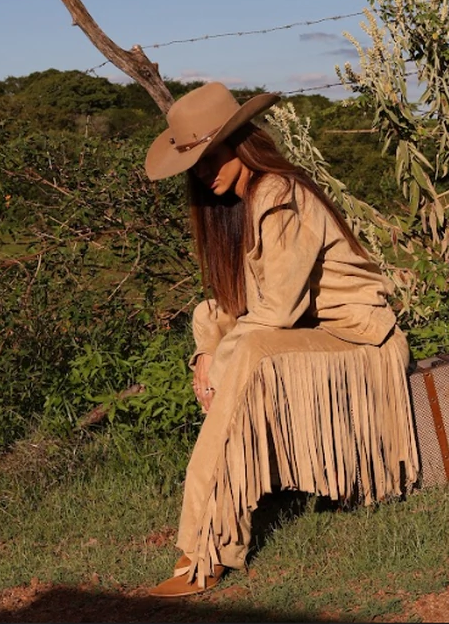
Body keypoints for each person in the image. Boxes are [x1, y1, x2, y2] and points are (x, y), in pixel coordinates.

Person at [144, 82, 419, 598]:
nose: (205, 172)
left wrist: (222, 361)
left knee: (244, 352)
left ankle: (210, 541)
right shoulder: (241, 202)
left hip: (361, 342)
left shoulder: (280, 194)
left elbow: (279, 309)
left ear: (241, 144)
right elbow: (229, 304)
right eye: (195, 166)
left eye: (211, 157)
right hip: (316, 335)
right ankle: (214, 524)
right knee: (218, 329)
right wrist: (205, 352)